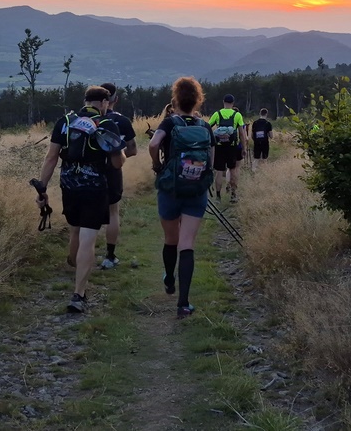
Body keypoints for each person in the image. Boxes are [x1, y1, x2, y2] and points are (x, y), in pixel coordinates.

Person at [35, 86, 126, 313]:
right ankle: (78, 294)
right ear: (104, 102)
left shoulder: (65, 121)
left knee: (74, 230)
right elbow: (117, 163)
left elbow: (51, 157)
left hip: (69, 185)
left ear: (85, 101)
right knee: (88, 238)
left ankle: (76, 267)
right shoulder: (106, 124)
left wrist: (43, 188)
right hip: (94, 187)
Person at [148, 77, 215, 318]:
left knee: (170, 239)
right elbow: (211, 159)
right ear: (198, 100)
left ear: (175, 99)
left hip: (171, 188)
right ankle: (183, 304)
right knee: (187, 243)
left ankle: (169, 279)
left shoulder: (169, 123)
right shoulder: (205, 126)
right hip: (196, 190)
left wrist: (157, 166)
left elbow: (154, 145)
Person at [99, 82, 139, 269]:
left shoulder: (86, 118)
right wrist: (119, 158)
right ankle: (110, 255)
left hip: (85, 173)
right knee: (113, 212)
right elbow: (132, 149)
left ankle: (81, 254)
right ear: (116, 99)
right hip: (113, 172)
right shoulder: (122, 121)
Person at [209, 94, 246, 204]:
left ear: (223, 102)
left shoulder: (217, 114)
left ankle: (218, 197)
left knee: (219, 171)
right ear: (233, 103)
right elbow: (242, 134)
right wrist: (243, 148)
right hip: (232, 147)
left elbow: (207, 127)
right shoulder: (237, 115)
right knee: (233, 170)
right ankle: (233, 195)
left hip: (219, 147)